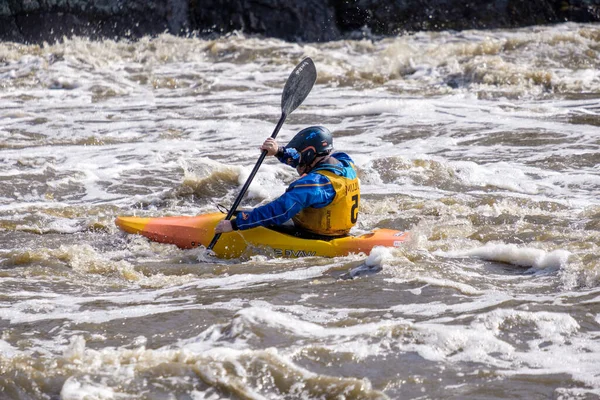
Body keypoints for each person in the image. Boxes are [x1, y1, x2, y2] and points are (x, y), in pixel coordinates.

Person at [214, 126, 360, 237]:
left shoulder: (313, 184)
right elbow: (306, 160)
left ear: (310, 153)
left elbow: (279, 211)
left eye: (300, 154)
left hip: (314, 235)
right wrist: (279, 152)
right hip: (341, 231)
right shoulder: (345, 162)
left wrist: (235, 224)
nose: (298, 159)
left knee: (253, 214)